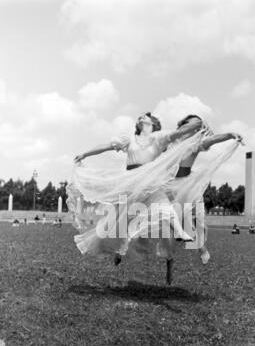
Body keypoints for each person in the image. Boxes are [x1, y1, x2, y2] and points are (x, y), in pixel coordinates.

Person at [67, 111, 243, 278]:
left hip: (172, 186)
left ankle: (194, 247)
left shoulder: (181, 143)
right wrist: (85, 153)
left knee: (183, 216)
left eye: (147, 117)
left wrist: (227, 134)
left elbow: (207, 139)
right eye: (193, 127)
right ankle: (124, 250)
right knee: (128, 223)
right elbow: (127, 149)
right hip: (148, 185)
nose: (143, 117)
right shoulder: (155, 142)